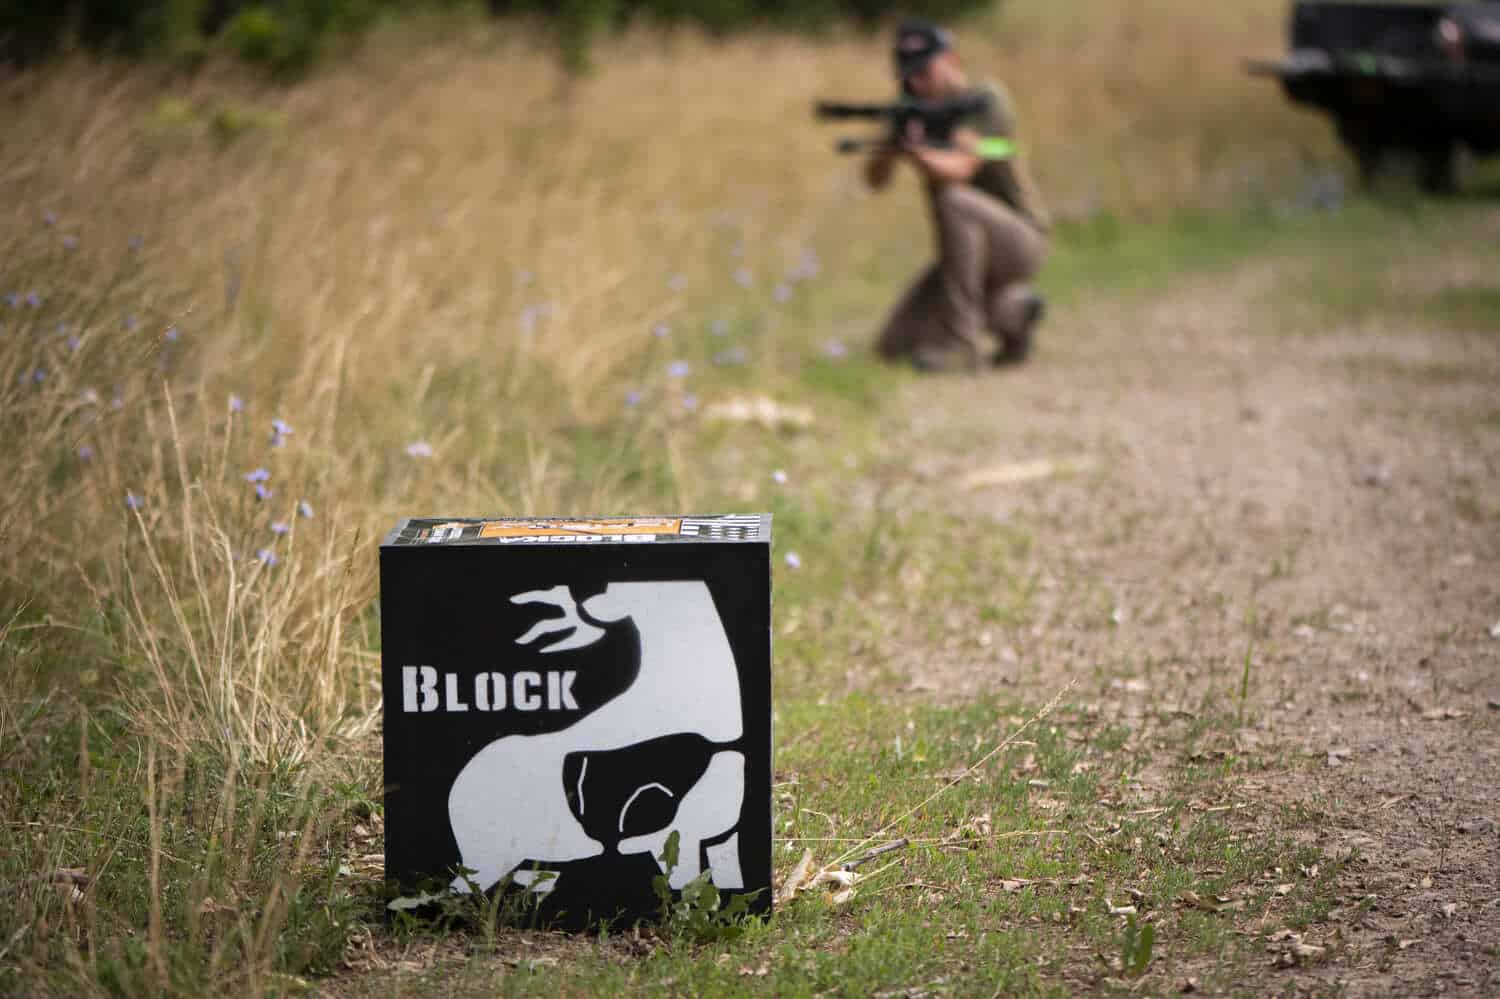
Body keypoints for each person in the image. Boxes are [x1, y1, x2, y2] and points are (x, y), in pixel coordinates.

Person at [867, 19, 1050, 371]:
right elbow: (875, 181)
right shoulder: (911, 107)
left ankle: (962, 345)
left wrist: (919, 155)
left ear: (951, 60)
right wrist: (890, 148)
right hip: (965, 254)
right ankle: (1014, 311)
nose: (917, 83)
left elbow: (961, 169)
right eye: (908, 76)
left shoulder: (985, 100)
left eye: (924, 71)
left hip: (1019, 239)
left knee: (954, 200)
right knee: (893, 346)